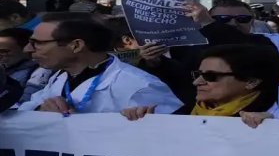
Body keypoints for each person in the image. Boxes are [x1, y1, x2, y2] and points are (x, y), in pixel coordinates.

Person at [121, 44, 279, 128]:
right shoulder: (175, 117)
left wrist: (277, 132)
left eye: (211, 76)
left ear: (251, 82)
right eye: (198, 74)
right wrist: (141, 126)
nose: (197, 82)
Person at [19, 13, 182, 114]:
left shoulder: (140, 86)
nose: (27, 49)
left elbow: (174, 136)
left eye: (37, 43)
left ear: (76, 46)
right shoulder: (60, 77)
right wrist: (40, 110)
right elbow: (24, 110)